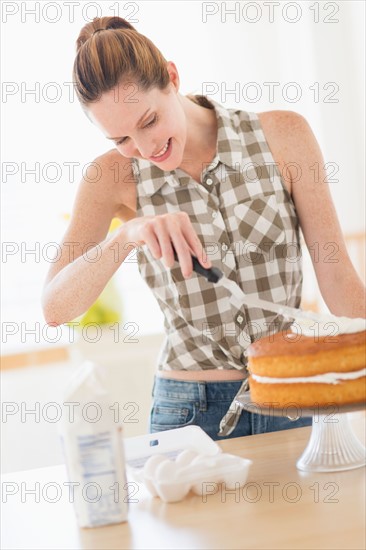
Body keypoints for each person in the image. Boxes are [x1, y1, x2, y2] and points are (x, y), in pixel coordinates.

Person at [42, 16, 366, 440]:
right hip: (188, 414)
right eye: (120, 140)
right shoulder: (110, 179)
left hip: (291, 399)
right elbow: (55, 308)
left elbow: (339, 280)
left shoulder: (283, 136)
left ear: (172, 78)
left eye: (148, 122)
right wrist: (127, 235)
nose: (143, 149)